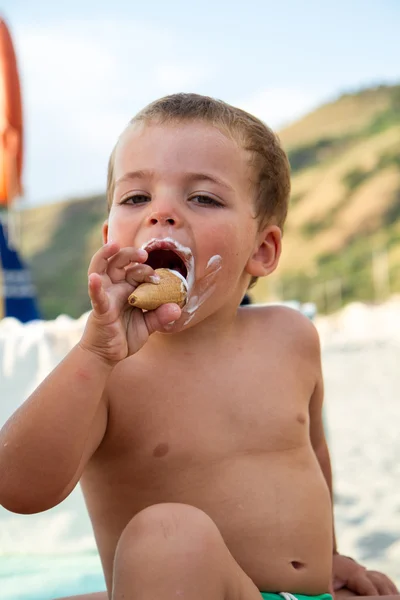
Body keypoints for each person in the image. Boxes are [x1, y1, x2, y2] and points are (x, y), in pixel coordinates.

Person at [0, 93, 397, 600]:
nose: (161, 213)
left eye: (203, 198)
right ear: (108, 236)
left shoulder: (291, 337)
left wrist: (333, 555)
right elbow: (18, 489)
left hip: (308, 594)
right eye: (136, 198)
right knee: (167, 537)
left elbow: (311, 459)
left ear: (262, 249)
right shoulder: (105, 368)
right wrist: (95, 356)